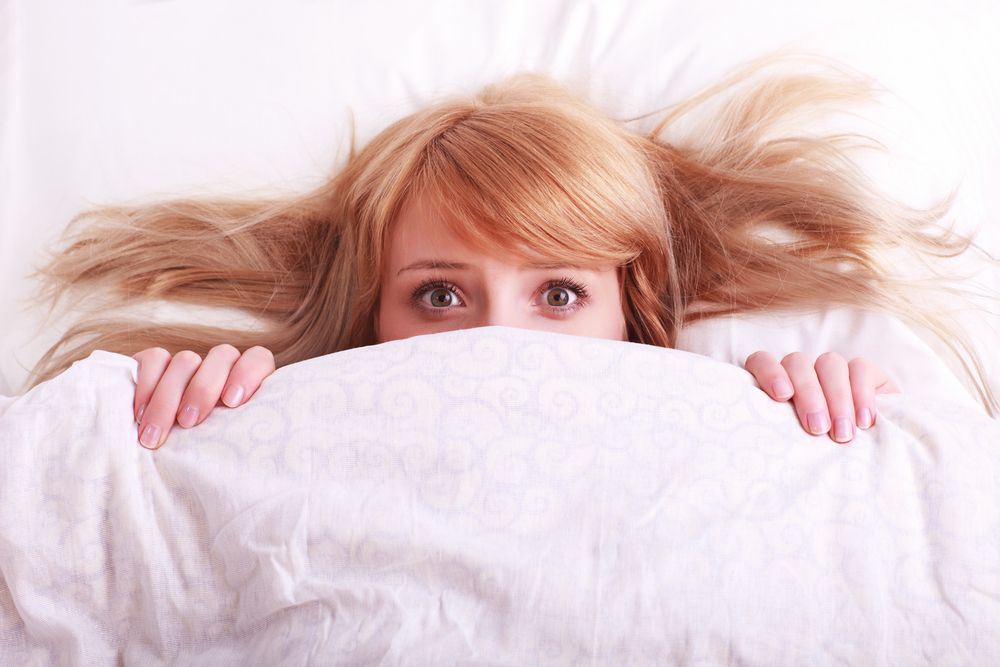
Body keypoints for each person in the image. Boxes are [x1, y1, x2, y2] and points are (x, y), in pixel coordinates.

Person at [28, 55, 997, 450]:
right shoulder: (296, 411)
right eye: (441, 294)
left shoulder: (724, 415)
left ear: (633, 315)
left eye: (560, 293)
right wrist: (177, 422)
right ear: (370, 317)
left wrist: (824, 423)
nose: (497, 339)